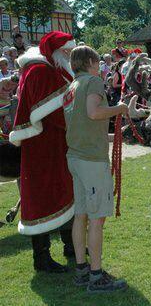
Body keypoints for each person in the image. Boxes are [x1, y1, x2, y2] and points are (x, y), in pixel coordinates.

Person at [9, 31, 77, 272]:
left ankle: (71, 245)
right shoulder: (41, 71)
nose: (70, 55)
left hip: (54, 144)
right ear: (56, 50)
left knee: (65, 190)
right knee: (43, 196)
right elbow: (52, 113)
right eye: (67, 51)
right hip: (43, 146)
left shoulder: (48, 67)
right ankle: (42, 257)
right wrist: (79, 123)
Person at [64, 45, 128, 293]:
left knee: (80, 215)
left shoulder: (71, 87)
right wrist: (119, 109)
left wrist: (111, 135)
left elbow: (82, 122)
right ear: (90, 61)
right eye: (97, 61)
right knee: (97, 218)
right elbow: (94, 113)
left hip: (76, 157)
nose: (100, 65)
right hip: (91, 160)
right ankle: (96, 276)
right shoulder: (92, 82)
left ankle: (82, 270)